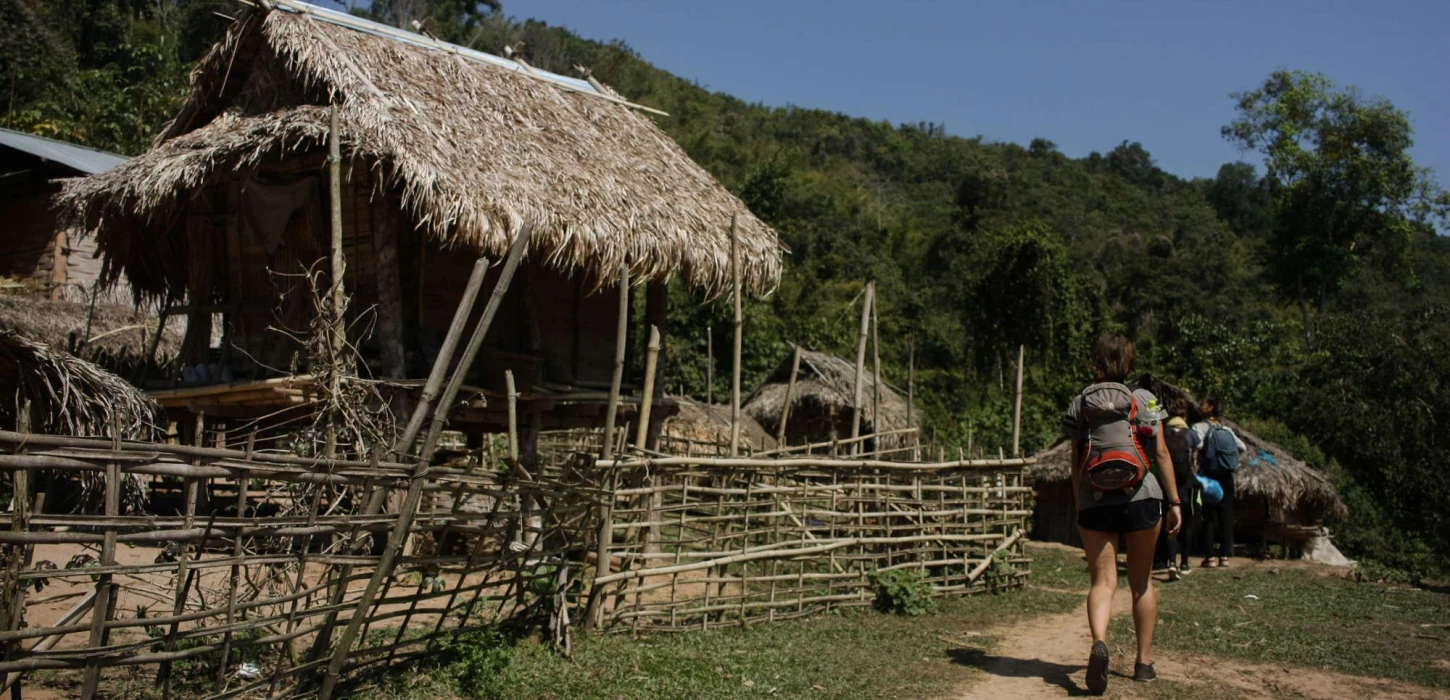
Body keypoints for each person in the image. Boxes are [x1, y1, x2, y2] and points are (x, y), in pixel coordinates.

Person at [1063, 334, 1182, 693]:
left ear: (1094, 364)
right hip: (1142, 496)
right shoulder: (1144, 399)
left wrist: (1079, 502)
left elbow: (1074, 461)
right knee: (1141, 583)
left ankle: (1100, 642)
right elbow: (1160, 452)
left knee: (1102, 582)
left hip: (1096, 498)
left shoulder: (1081, 402)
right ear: (1129, 363)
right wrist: (1175, 501)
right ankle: (1143, 664)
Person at [1194, 394, 1245, 568]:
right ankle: (1224, 556)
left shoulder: (1199, 427)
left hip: (1209, 477)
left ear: (1209, 407)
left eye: (1202, 403)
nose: (1199, 406)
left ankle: (1210, 557)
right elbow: (1242, 447)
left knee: (1208, 517)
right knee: (1226, 516)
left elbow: (1197, 445)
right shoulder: (1227, 429)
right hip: (1227, 477)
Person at [1161, 398, 1200, 578]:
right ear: (1184, 415)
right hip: (1187, 484)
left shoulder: (1164, 433)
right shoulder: (1191, 434)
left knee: (1169, 521)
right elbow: (1197, 458)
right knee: (1186, 523)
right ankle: (1184, 562)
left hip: (1168, 484)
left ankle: (1170, 561)